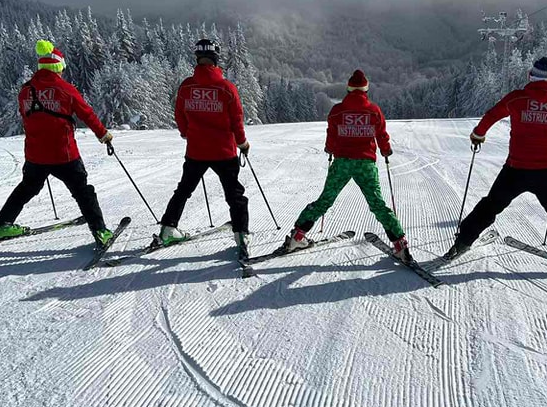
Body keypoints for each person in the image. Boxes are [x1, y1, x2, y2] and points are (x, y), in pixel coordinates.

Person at [447, 57, 547, 269]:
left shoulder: (517, 99)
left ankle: (462, 242)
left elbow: (492, 115)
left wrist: (478, 134)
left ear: (531, 75)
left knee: (490, 205)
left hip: (517, 168)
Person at [0, 39, 115, 247]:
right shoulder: (65, 89)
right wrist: (104, 135)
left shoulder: (25, 90)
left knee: (26, 188)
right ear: (57, 66)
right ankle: (100, 231)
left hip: (35, 154)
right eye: (61, 68)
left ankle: (3, 224)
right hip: (64, 154)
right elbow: (87, 114)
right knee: (83, 191)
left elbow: (26, 116)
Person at [283, 69, 412, 262]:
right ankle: (400, 245)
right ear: (365, 90)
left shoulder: (337, 111)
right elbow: (382, 135)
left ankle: (297, 236)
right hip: (365, 164)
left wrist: (329, 148)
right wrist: (385, 150)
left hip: (342, 162)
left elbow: (331, 135)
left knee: (325, 200)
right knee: (377, 204)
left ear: (349, 89)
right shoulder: (374, 110)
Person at [159, 38, 251, 257]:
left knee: (183, 190)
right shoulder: (226, 88)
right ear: (216, 59)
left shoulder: (187, 86)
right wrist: (243, 143)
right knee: (235, 195)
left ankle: (168, 229)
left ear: (197, 59)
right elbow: (236, 120)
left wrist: (186, 133)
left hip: (196, 150)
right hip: (223, 152)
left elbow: (179, 114)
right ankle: (241, 235)